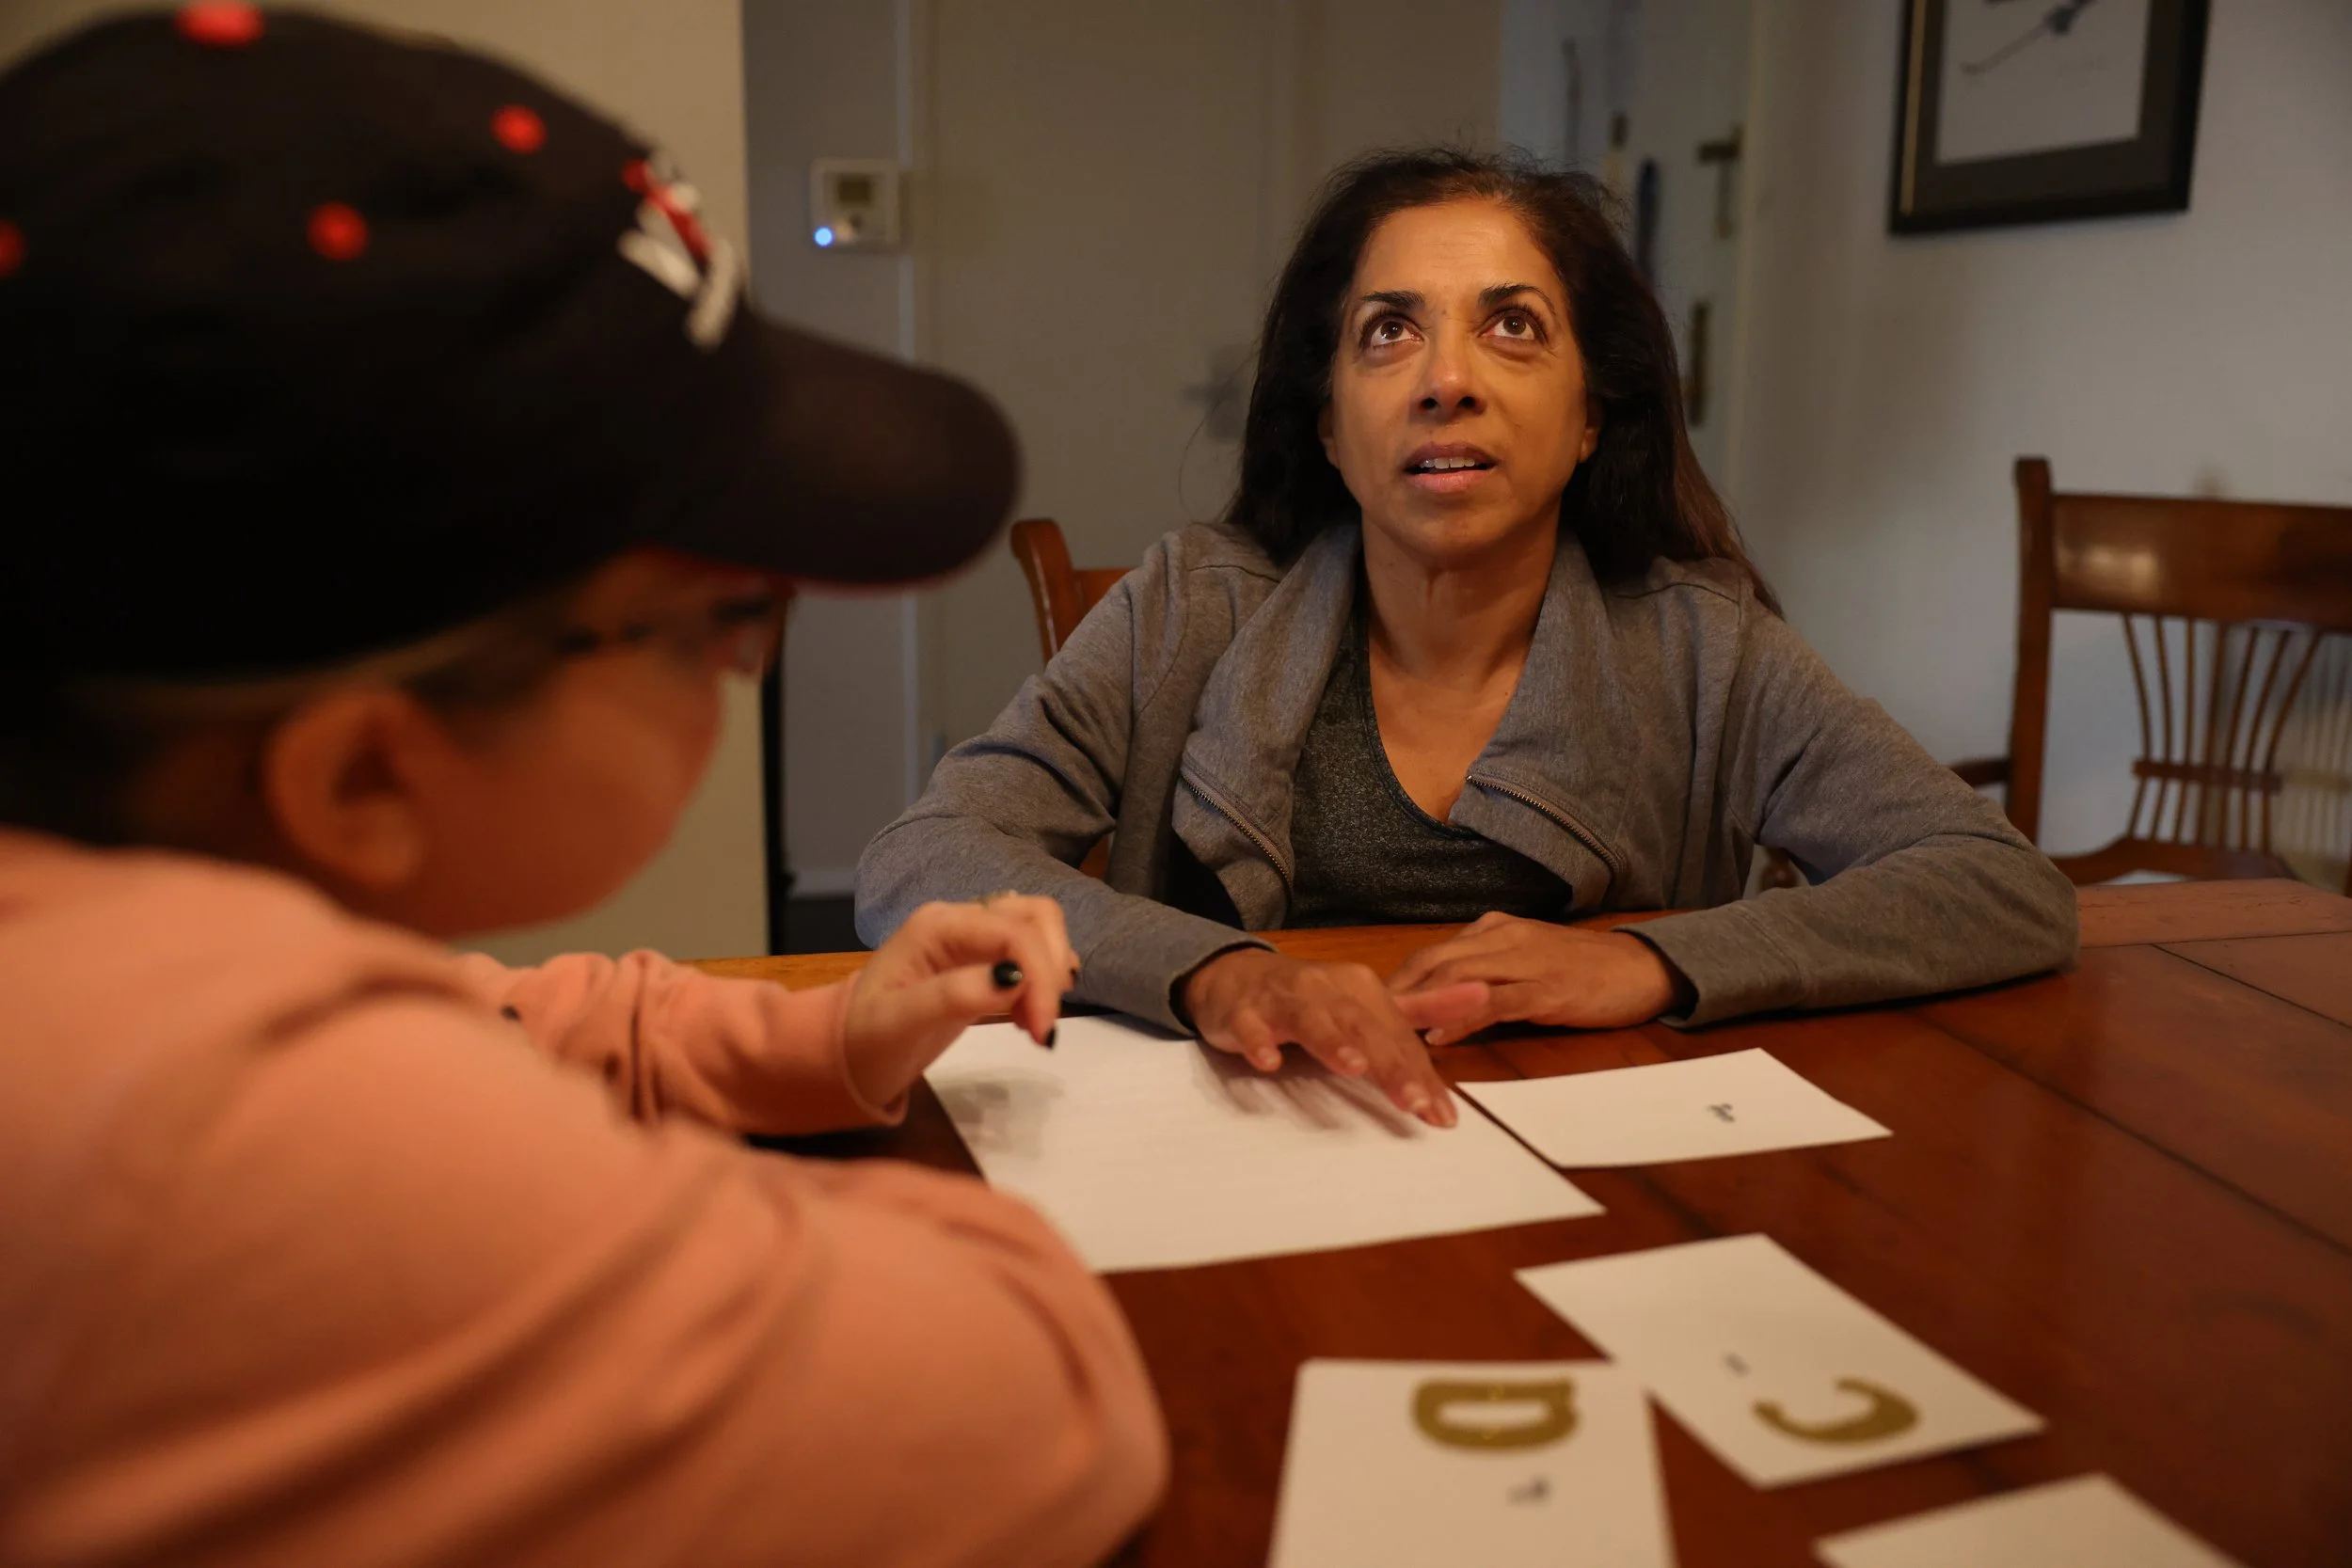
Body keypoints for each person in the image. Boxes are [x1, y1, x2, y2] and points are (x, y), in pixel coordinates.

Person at [0, 9, 1163, 1567]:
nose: (749, 665)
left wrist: (817, 1034)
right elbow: (1036, 1410)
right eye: (716, 617)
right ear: (361, 776)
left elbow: (482, 1022)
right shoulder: (193, 1128)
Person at [856, 149, 2078, 1125]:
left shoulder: (1708, 648)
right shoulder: (1190, 607)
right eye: (1390, 331)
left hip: (1610, 1184)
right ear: (1330, 425)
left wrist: (1652, 961)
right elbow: (919, 857)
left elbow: (2003, 889)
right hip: (1237, 1155)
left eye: (1513, 328)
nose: (1447, 379)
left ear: (1592, 414)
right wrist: (1218, 970)